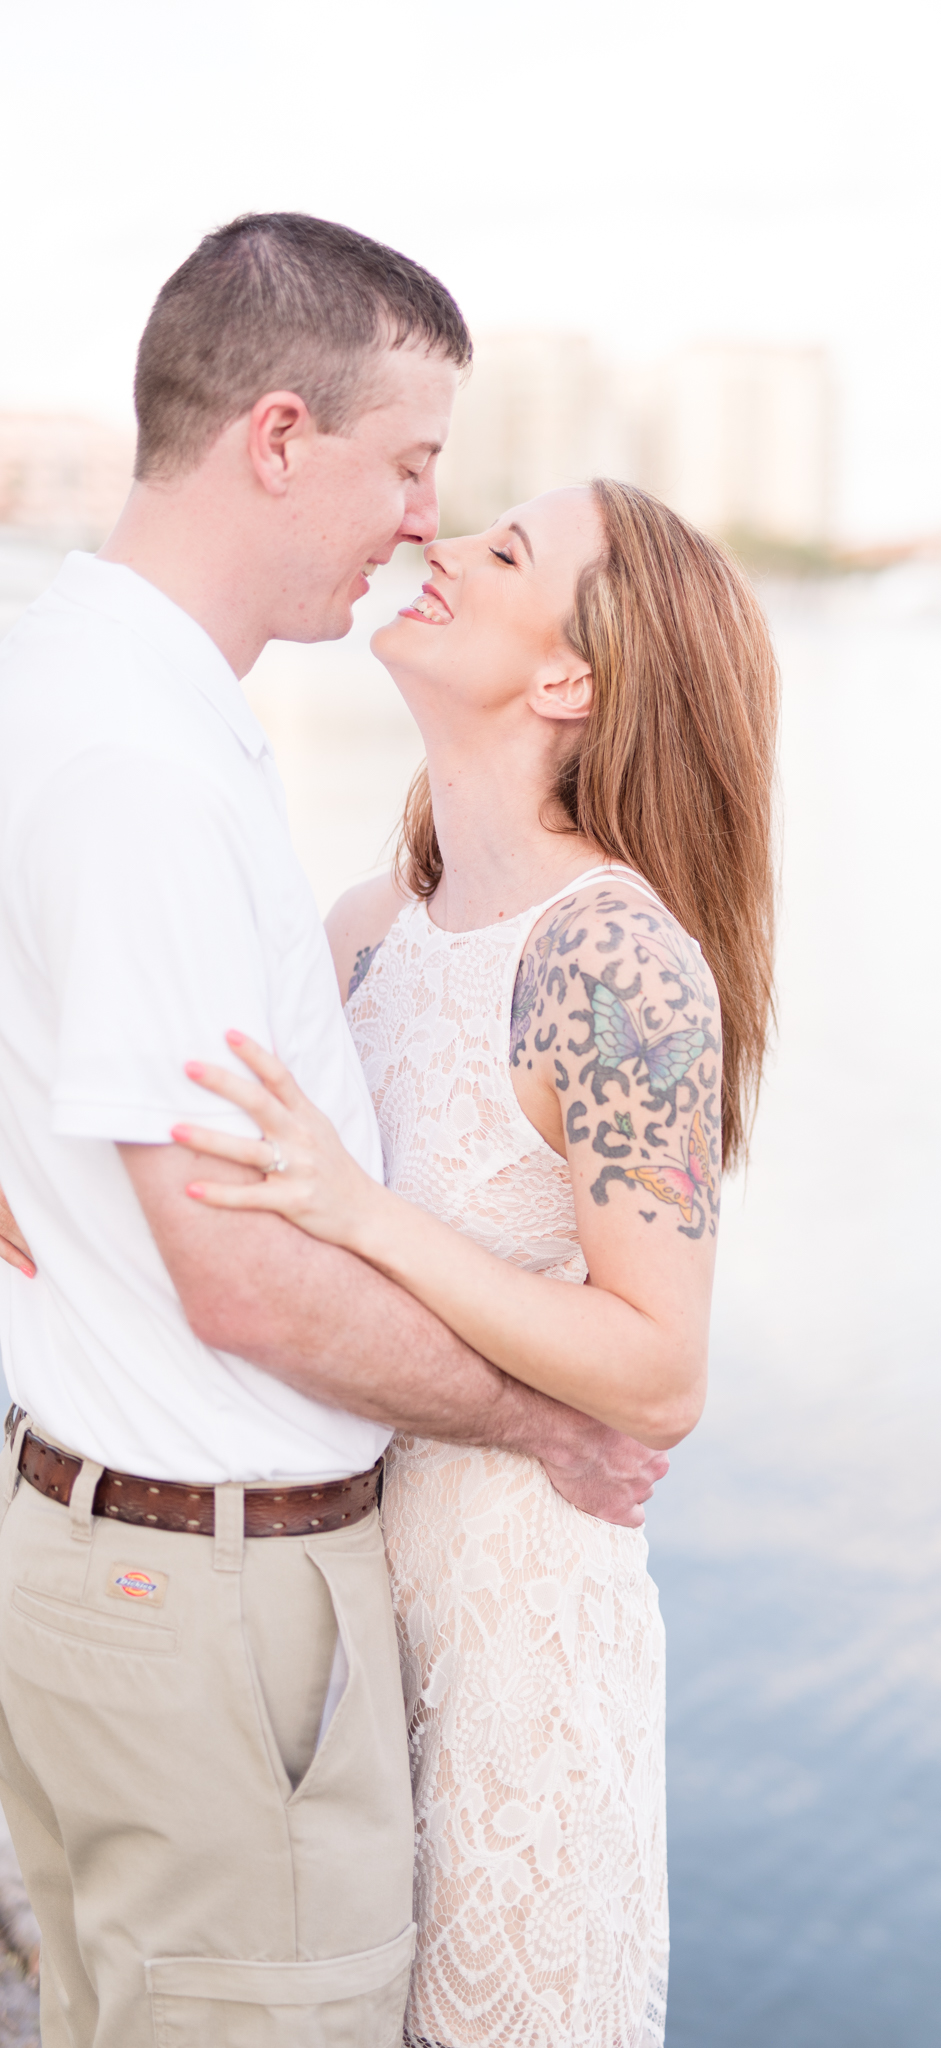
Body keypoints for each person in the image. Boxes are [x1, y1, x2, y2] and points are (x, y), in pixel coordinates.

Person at [0, 214, 665, 2048]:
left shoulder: (83, 687)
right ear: (278, 440)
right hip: (213, 1610)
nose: (419, 522)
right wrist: (544, 1423)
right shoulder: (141, 761)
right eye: (412, 464)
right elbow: (244, 1281)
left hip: (112, 1555)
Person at [166, 477, 780, 2047]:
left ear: (569, 679)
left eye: (504, 551)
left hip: (517, 1638)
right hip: (341, 1615)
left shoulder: (617, 958)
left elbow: (661, 1369)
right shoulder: (371, 928)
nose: (438, 547)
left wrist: (366, 1217)